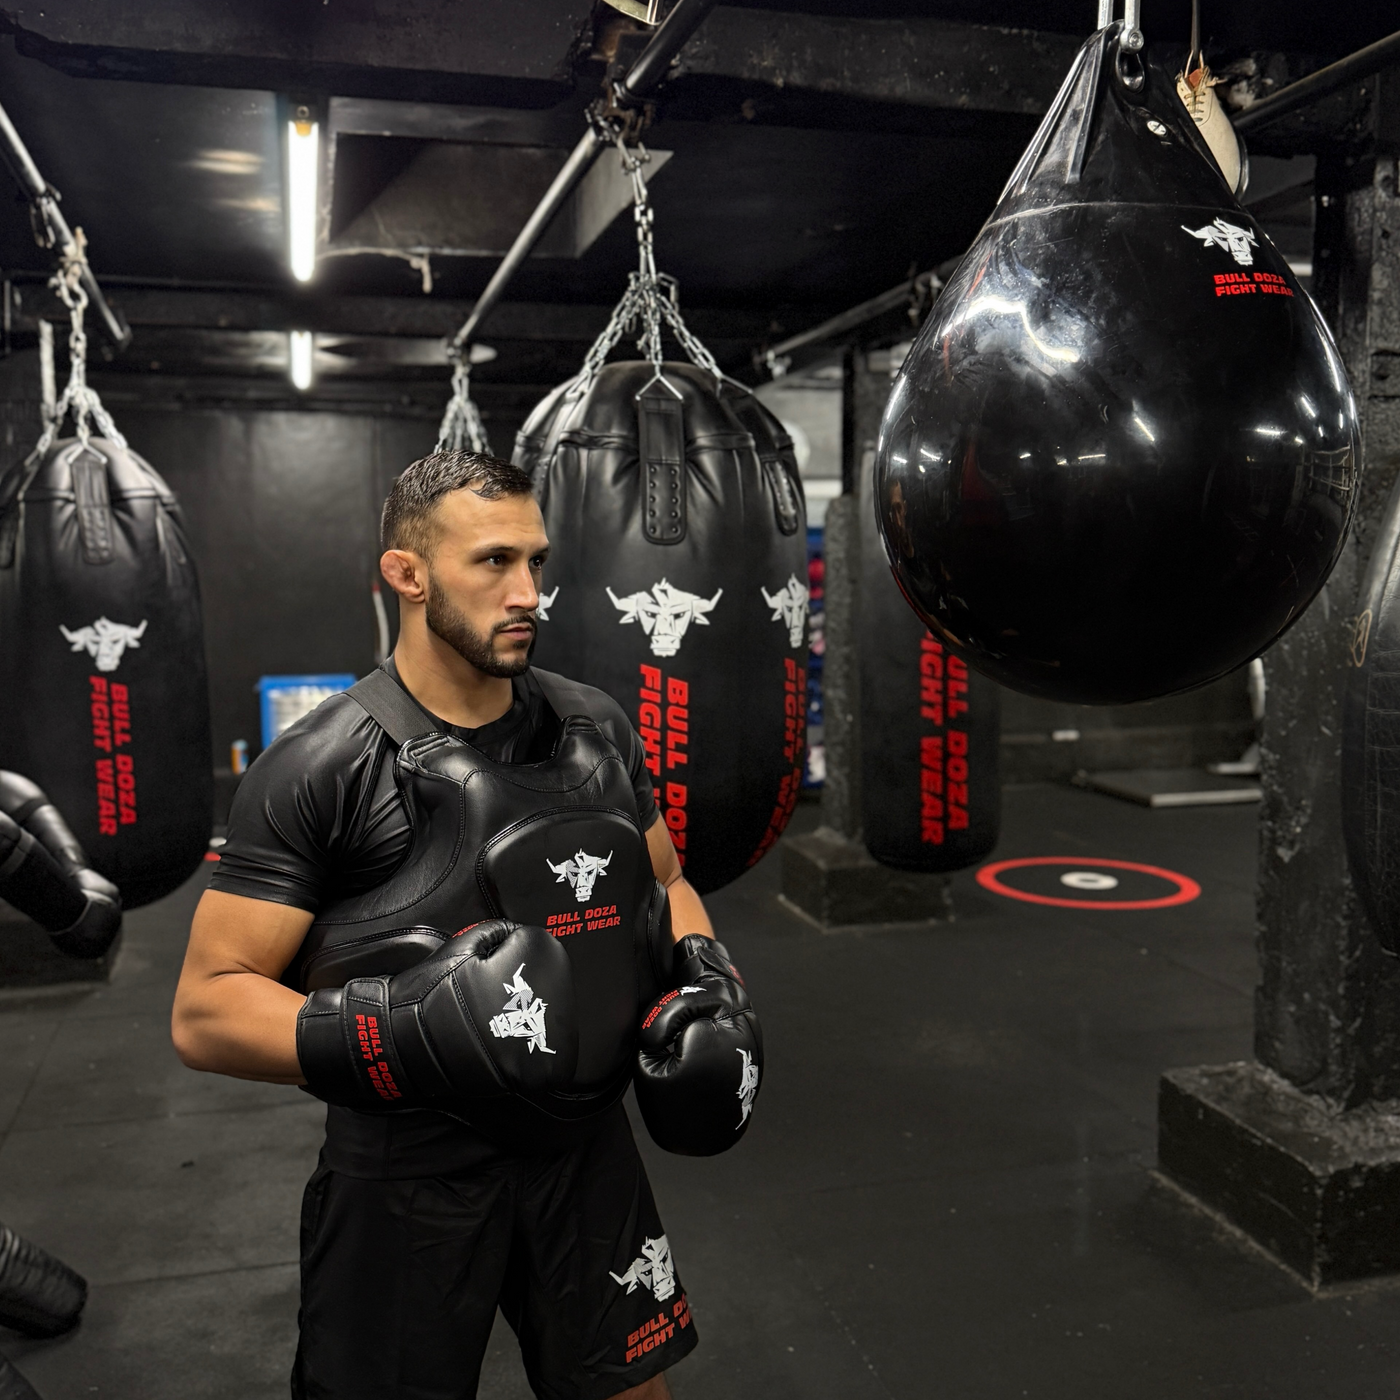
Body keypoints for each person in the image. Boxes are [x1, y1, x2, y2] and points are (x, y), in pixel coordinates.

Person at [171, 451, 714, 1400]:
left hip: (584, 1153)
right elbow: (206, 1011)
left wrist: (706, 972)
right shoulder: (322, 767)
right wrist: (399, 1027)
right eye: (493, 562)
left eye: (537, 562)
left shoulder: (594, 728)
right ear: (407, 574)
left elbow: (664, 881)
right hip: (407, 1179)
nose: (528, 592)